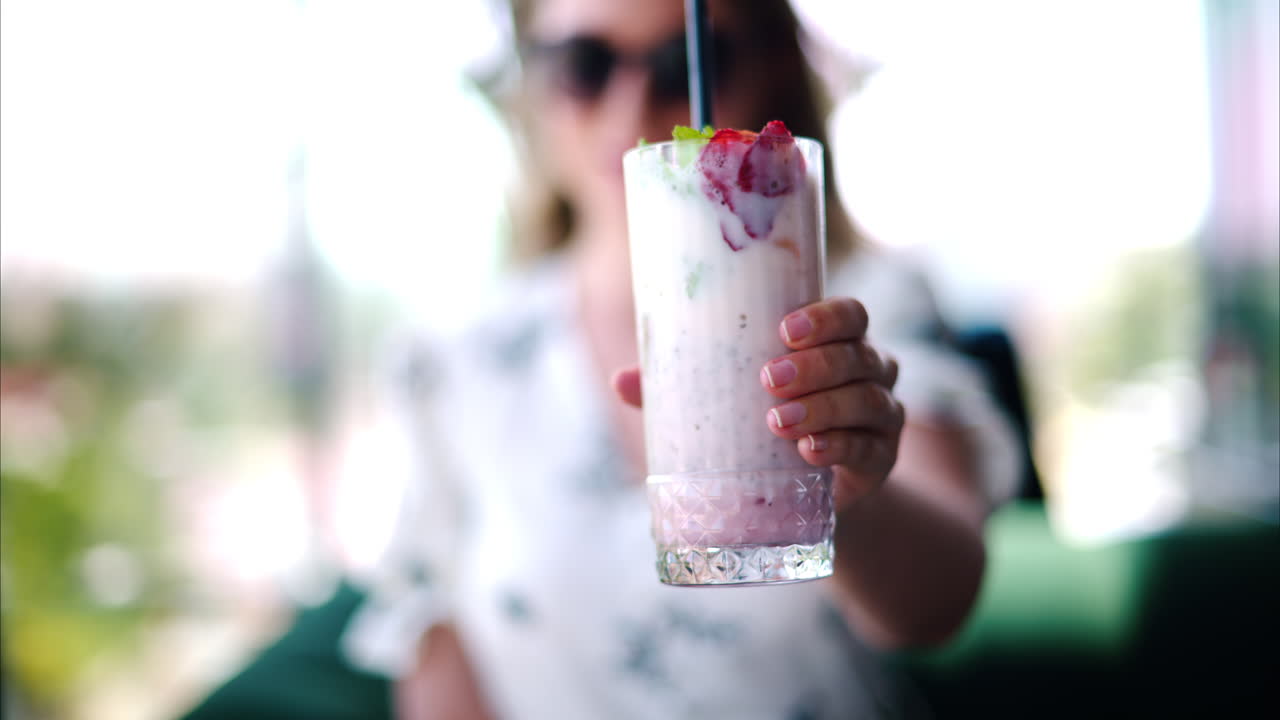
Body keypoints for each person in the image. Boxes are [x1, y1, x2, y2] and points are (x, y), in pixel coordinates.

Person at [184, 1, 1020, 718]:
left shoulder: (860, 304)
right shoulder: (458, 364)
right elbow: (438, 658)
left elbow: (936, 605)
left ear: (767, 71)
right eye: (585, 63)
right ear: (531, 86)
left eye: (683, 59)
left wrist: (854, 500)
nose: (633, 108)